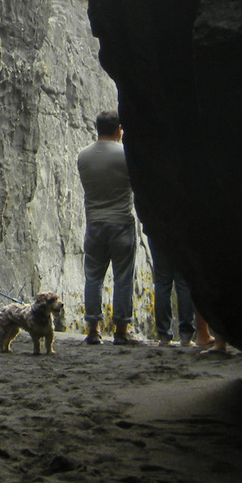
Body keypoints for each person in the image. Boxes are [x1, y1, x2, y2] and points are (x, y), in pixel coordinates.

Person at [77, 109, 141, 345]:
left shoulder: (83, 156)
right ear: (118, 129)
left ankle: (93, 330)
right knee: (123, 278)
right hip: (121, 222)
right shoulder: (126, 155)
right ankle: (121, 331)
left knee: (93, 277)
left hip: (94, 223)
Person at [148, 236, 194, 347]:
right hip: (181, 233)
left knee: (162, 284)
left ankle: (164, 336)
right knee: (183, 284)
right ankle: (186, 336)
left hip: (157, 234)